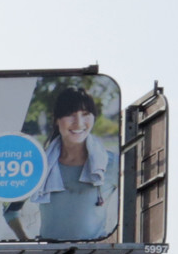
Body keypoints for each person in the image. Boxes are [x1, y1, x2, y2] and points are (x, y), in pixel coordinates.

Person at [7, 86, 117, 241]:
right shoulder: (39, 166)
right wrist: (27, 241)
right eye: (70, 115)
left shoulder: (111, 164)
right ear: (57, 120)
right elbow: (11, 212)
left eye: (85, 114)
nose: (79, 123)